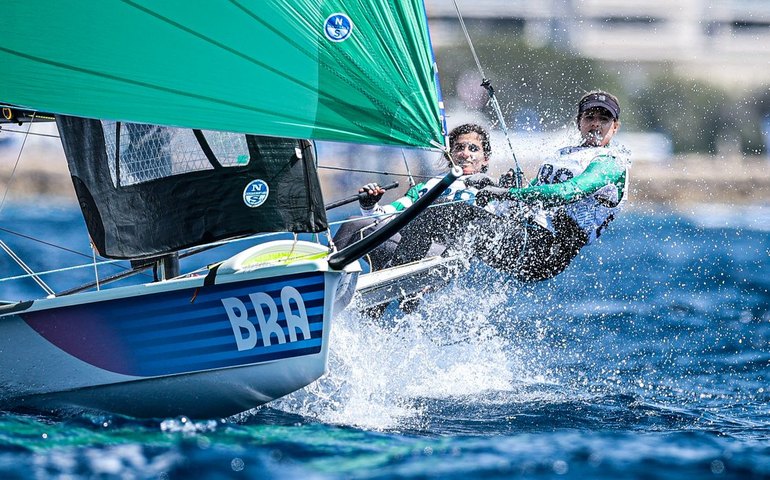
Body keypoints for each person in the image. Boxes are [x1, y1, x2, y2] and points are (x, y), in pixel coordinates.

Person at [476, 90, 630, 282]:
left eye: (604, 119)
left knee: (461, 222)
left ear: (615, 127)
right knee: (455, 212)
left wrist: (508, 193)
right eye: (589, 117)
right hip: (526, 231)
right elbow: (531, 194)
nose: (596, 123)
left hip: (546, 252)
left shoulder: (610, 163)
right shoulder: (563, 154)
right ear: (578, 122)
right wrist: (498, 188)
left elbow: (568, 192)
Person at [332, 123, 494, 271]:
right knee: (353, 224)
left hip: (442, 258)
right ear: (449, 154)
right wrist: (369, 206)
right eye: (459, 147)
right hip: (405, 250)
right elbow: (385, 218)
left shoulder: (489, 189)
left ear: (485, 159)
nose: (465, 154)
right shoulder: (425, 187)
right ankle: (326, 281)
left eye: (473, 148)